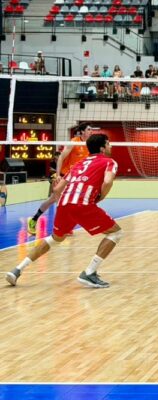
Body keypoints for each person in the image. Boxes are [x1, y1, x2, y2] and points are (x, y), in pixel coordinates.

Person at [6, 134, 123, 288]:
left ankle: (17, 270)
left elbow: (58, 188)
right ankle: (89, 273)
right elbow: (107, 181)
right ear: (102, 148)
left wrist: (69, 200)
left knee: (55, 238)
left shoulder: (79, 163)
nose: (111, 147)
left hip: (64, 203)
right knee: (115, 232)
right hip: (82, 204)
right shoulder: (110, 162)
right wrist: (100, 197)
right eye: (108, 144)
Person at [27, 123, 94, 235]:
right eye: (89, 129)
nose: (91, 131)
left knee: (72, 201)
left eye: (91, 129)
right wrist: (58, 175)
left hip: (76, 178)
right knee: (54, 199)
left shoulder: (90, 144)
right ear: (82, 131)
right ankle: (34, 220)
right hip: (64, 175)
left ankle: (65, 226)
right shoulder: (74, 142)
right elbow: (61, 157)